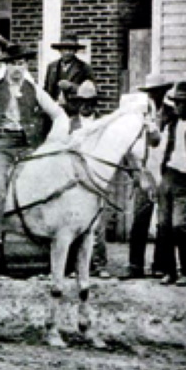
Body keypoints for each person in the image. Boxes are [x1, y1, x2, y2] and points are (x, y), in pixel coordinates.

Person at [0, 43, 69, 261]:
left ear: (26, 66)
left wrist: (54, 140)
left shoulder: (33, 89)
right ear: (6, 65)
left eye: (22, 64)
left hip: (27, 145)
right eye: (13, 64)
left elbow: (59, 114)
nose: (18, 69)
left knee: (43, 185)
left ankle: (44, 237)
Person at [120, 73, 174, 280]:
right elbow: (128, 143)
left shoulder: (172, 114)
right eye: (152, 92)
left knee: (164, 222)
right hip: (144, 170)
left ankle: (161, 264)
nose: (156, 96)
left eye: (159, 92)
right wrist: (135, 171)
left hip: (165, 170)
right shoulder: (139, 114)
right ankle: (135, 265)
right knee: (140, 218)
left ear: (165, 92)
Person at [155, 81, 186, 286]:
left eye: (183, 103)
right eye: (177, 102)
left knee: (179, 225)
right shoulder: (170, 125)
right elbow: (161, 150)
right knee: (163, 226)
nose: (179, 106)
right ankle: (169, 270)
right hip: (168, 176)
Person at [68, 81, 108, 275]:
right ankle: (74, 266)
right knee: (74, 220)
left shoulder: (103, 124)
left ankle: (99, 264)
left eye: (90, 102)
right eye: (82, 102)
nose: (86, 106)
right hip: (75, 175)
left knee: (97, 221)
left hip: (96, 174)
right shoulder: (70, 123)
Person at [44, 36, 95, 114]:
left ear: (75, 51)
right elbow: (47, 89)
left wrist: (71, 86)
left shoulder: (84, 67)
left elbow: (92, 91)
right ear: (60, 50)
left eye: (70, 49)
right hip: (54, 111)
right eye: (64, 49)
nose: (67, 52)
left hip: (74, 111)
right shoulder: (52, 67)